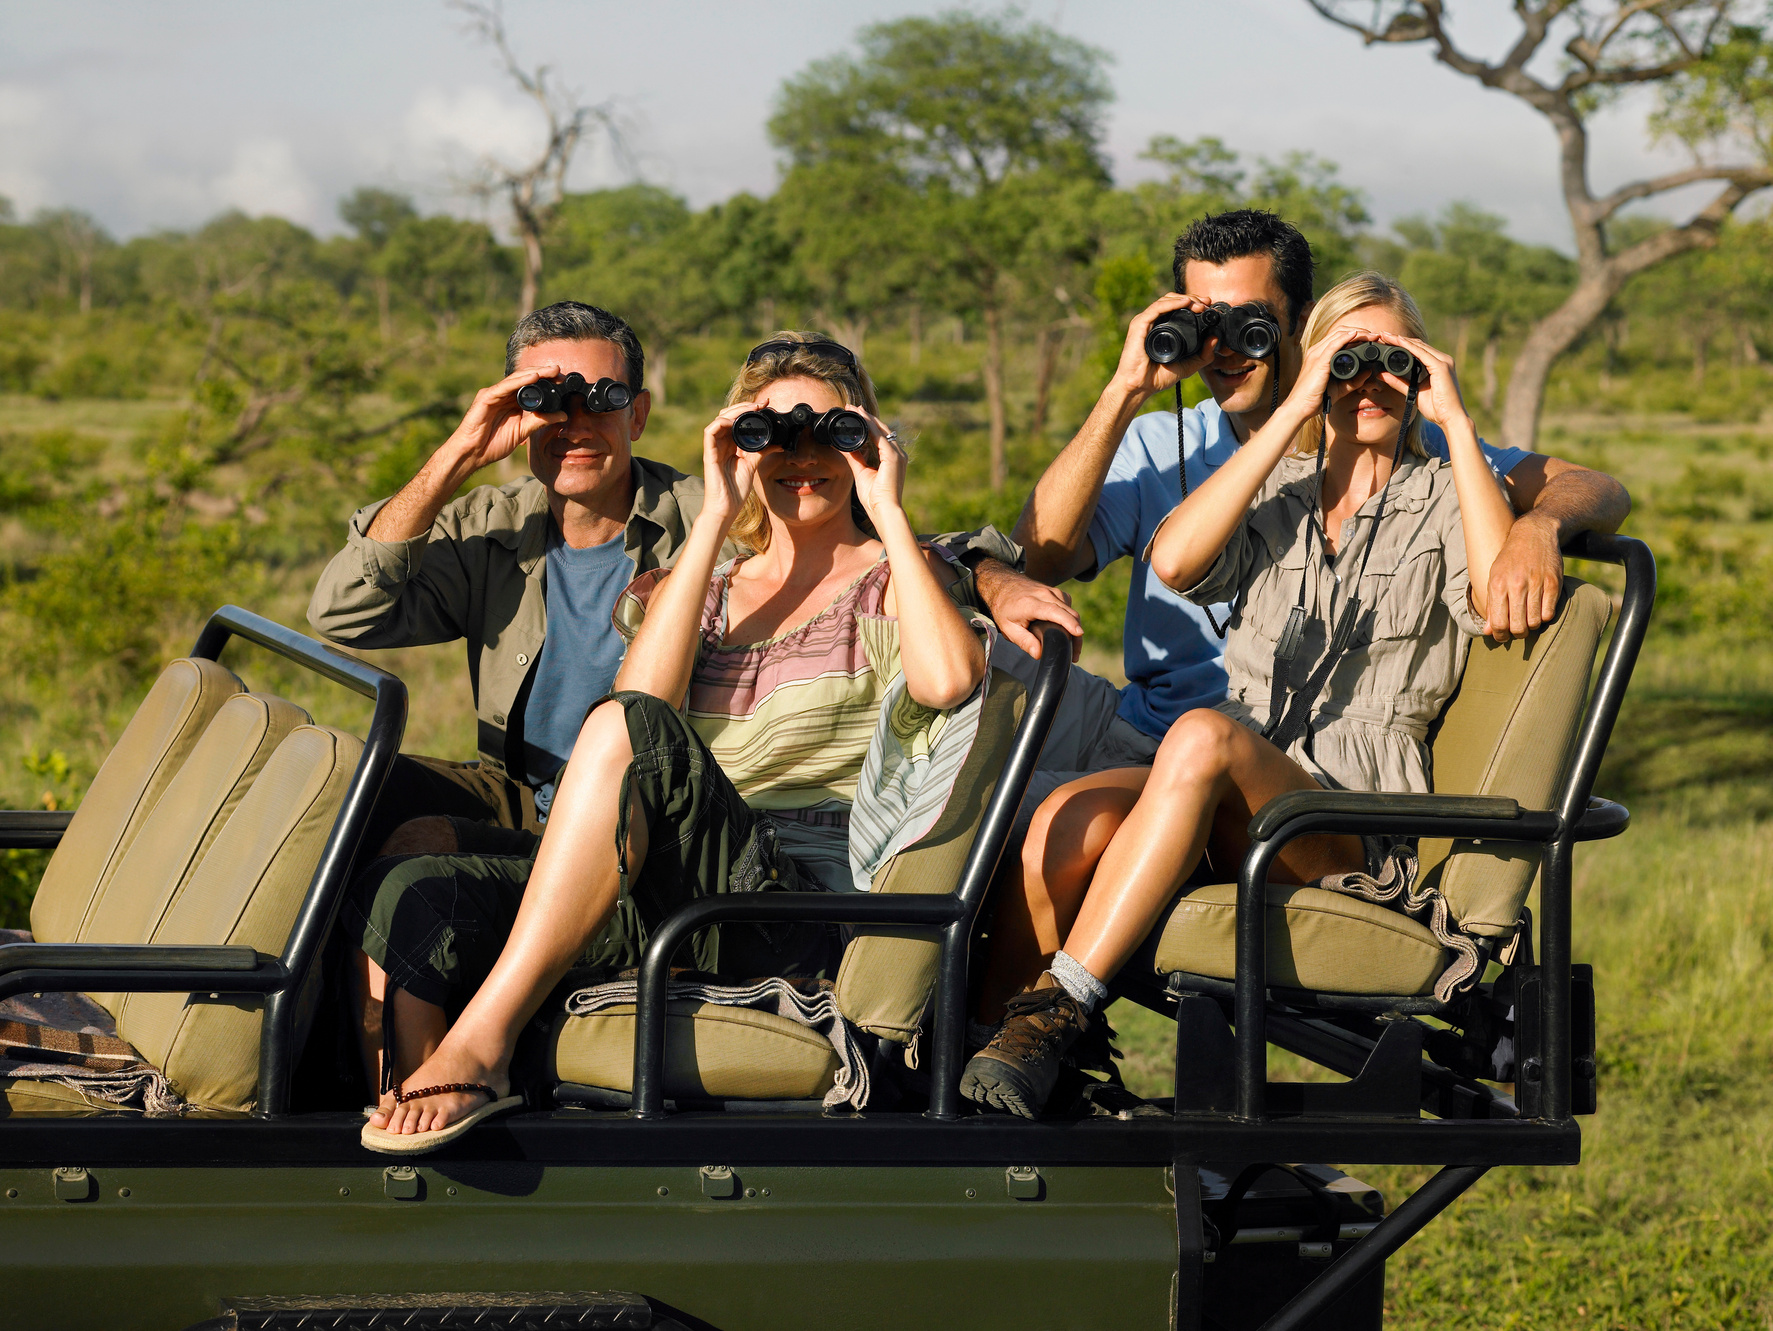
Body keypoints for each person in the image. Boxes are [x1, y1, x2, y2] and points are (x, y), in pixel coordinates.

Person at [974, 211, 1630, 1047]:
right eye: (1202, 324)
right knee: (1062, 817)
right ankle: (988, 1064)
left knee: (1203, 736)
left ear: (1293, 324)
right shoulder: (1269, 484)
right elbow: (1114, 555)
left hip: (1335, 795)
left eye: (1249, 324)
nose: (1222, 346)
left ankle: (1061, 1012)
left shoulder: (1446, 484)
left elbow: (1565, 502)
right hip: (1211, 762)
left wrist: (1518, 502)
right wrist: (1218, 400)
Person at [356, 334, 993, 1151]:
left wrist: (892, 510)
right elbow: (643, 695)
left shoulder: (890, 579)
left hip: (794, 901)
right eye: (771, 435)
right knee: (415, 892)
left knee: (625, 729)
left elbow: (947, 683)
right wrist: (721, 511)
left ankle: (479, 1048)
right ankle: (431, 1138)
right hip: (684, 884)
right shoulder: (715, 584)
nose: (801, 458)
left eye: (827, 432)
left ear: (866, 439)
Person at [307, 302, 1050, 859]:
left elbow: (865, 539)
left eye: (597, 400)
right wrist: (460, 452)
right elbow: (343, 611)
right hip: (517, 794)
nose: (574, 423)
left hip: (648, 808)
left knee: (419, 855)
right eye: (545, 402)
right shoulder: (486, 527)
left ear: (637, 413)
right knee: (337, 787)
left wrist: (990, 574)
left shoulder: (710, 512)